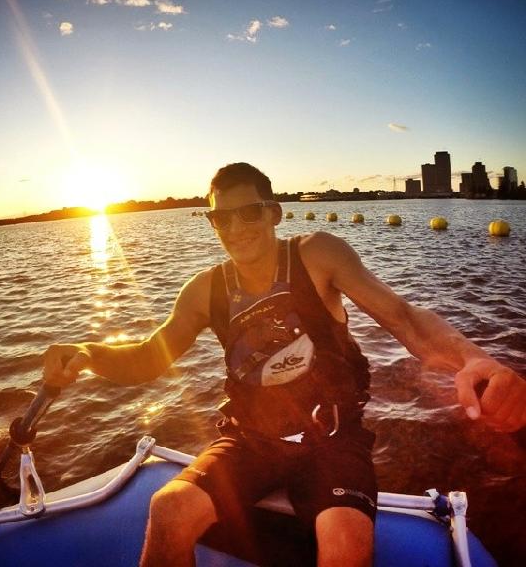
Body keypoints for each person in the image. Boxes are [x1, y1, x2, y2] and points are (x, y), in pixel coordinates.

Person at [43, 162, 526, 567]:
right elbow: (150, 356)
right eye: (221, 218)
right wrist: (88, 354)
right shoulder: (204, 290)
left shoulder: (316, 255)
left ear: (273, 212)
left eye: (249, 212)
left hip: (332, 440)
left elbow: (403, 317)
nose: (236, 229)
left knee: (344, 541)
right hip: (250, 439)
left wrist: (474, 358)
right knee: (169, 509)